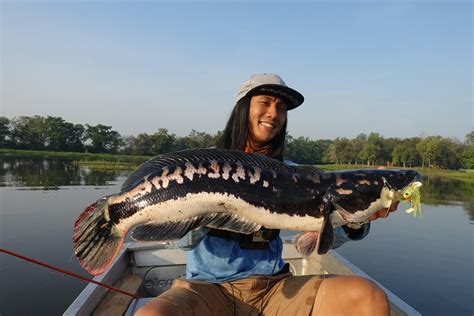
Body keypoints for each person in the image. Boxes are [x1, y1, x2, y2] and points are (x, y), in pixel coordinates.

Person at [136, 73, 397, 316]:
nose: (273, 113)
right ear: (244, 108)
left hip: (273, 287)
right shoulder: (205, 166)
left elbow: (315, 240)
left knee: (368, 297)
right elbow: (183, 242)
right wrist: (213, 205)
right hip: (207, 287)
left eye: (281, 108)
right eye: (265, 103)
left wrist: (359, 217)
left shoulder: (293, 175)